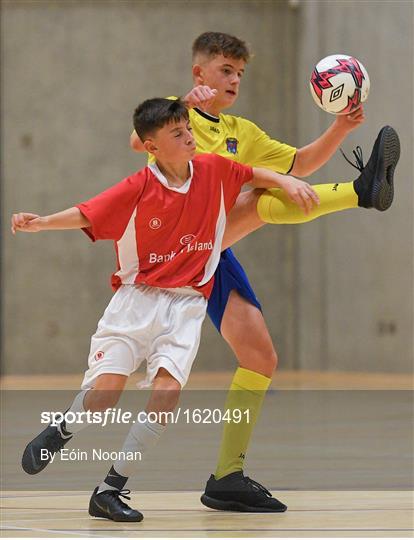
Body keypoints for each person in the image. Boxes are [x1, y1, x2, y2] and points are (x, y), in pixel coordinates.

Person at [130, 32, 400, 513]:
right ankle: (360, 192)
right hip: (171, 247)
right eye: (224, 71)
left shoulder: (242, 131)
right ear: (199, 74)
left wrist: (340, 126)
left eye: (240, 73)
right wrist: (182, 108)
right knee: (258, 198)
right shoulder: (174, 114)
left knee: (260, 359)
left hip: (213, 254)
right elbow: (137, 140)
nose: (234, 80)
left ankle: (227, 478)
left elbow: (300, 163)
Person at [14, 98, 322, 521]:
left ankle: (110, 490)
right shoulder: (138, 186)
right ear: (151, 146)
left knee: (167, 395)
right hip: (135, 301)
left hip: (187, 305)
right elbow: (87, 213)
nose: (189, 137)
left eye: (189, 130)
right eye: (178, 133)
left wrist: (287, 183)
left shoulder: (213, 170)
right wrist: (42, 222)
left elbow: (251, 173)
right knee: (104, 397)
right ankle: (63, 429)